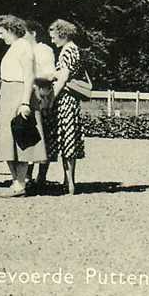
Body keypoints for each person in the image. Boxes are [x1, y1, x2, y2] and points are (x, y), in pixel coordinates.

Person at [0, 15, 47, 197]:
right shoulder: (14, 48)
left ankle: (20, 183)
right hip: (8, 93)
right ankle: (16, 181)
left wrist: (24, 102)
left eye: (2, 32)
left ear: (11, 30)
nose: (0, 37)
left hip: (19, 94)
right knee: (8, 140)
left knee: (21, 138)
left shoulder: (24, 47)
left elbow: (29, 76)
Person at [46, 19, 86, 195]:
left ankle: (69, 183)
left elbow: (63, 78)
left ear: (62, 34)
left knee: (67, 139)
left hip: (65, 100)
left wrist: (51, 98)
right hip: (70, 100)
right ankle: (68, 181)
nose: (52, 41)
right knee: (68, 139)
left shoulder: (67, 51)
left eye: (54, 37)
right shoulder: (73, 50)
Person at [23, 20, 56, 190]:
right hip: (28, 95)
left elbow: (50, 75)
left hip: (41, 96)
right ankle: (27, 175)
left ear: (34, 33)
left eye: (25, 33)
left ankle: (41, 176)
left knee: (43, 135)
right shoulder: (25, 50)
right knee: (29, 134)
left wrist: (32, 77)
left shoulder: (44, 50)